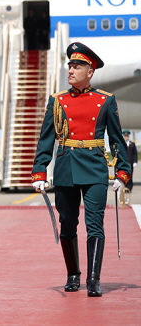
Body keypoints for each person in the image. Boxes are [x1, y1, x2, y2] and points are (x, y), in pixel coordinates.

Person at [31, 42, 131, 297]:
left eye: (77, 66)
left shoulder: (105, 101)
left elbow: (117, 140)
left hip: (96, 167)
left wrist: (122, 172)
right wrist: (40, 172)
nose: (71, 70)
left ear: (91, 70)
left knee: (95, 224)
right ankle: (73, 274)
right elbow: (46, 140)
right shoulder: (57, 101)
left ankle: (94, 279)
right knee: (67, 224)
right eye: (70, 65)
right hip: (66, 166)